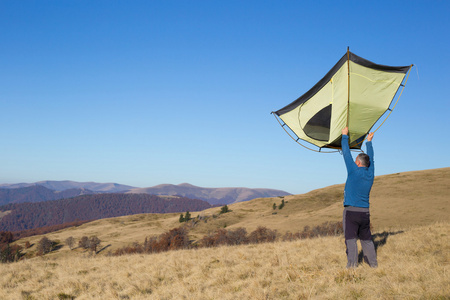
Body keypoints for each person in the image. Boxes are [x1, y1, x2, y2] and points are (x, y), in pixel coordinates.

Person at [341, 127, 378, 268]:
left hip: (351, 212)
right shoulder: (370, 173)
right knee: (366, 239)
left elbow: (346, 154)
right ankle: (373, 265)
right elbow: (371, 159)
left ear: (358, 163)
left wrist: (344, 136)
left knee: (350, 239)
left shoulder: (353, 170)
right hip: (365, 213)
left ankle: (352, 267)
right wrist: (369, 142)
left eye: (356, 159)